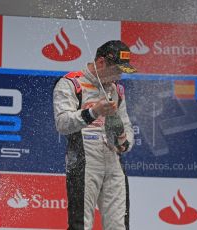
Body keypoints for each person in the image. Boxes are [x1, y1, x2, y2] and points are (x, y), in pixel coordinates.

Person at [53, 40, 136, 230]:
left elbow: (128, 128)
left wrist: (124, 142)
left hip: (114, 164)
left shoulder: (117, 90)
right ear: (100, 63)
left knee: (119, 226)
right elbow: (62, 123)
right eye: (117, 70)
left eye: (122, 71)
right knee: (81, 226)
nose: (120, 76)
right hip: (84, 163)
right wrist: (94, 112)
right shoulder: (71, 83)